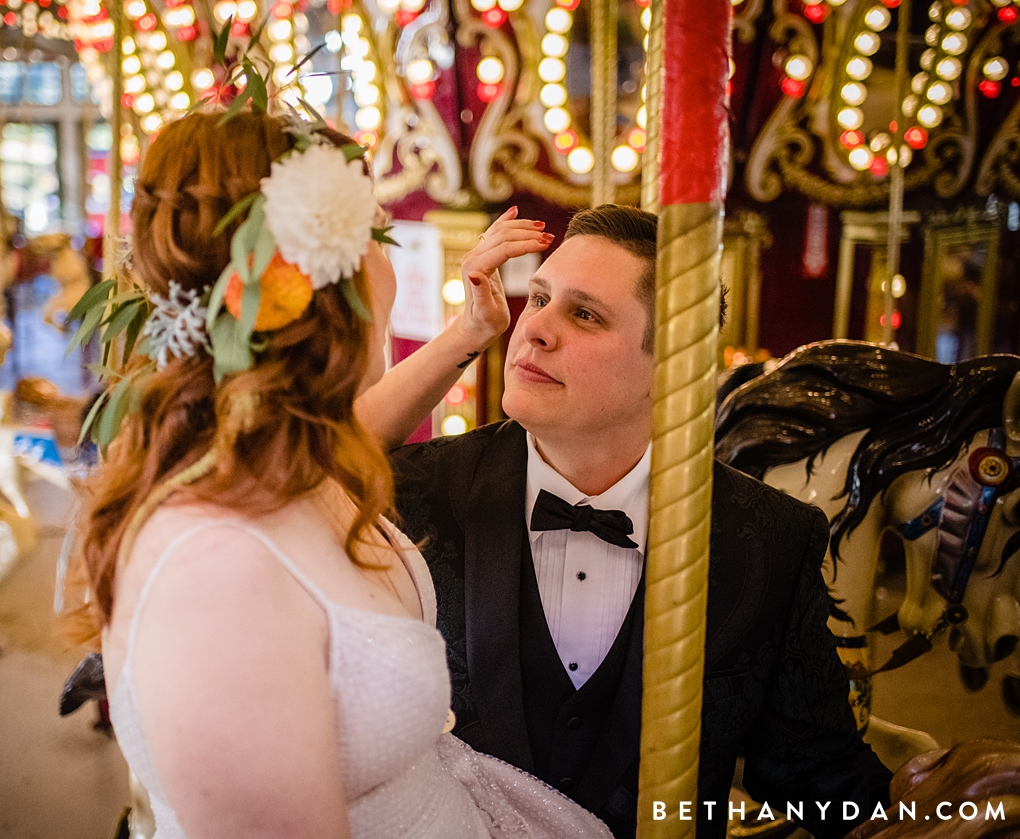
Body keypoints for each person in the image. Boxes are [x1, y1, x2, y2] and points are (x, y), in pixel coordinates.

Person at [74, 109, 612, 839]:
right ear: (318, 281)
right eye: (375, 235)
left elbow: (354, 433)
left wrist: (470, 330)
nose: (388, 264)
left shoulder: (274, 457)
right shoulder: (215, 574)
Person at [389, 204, 894, 839]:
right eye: (539, 297)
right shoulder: (414, 497)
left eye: (584, 314)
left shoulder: (769, 538)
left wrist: (956, 816)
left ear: (674, 366)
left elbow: (815, 772)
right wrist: (463, 333)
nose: (534, 330)